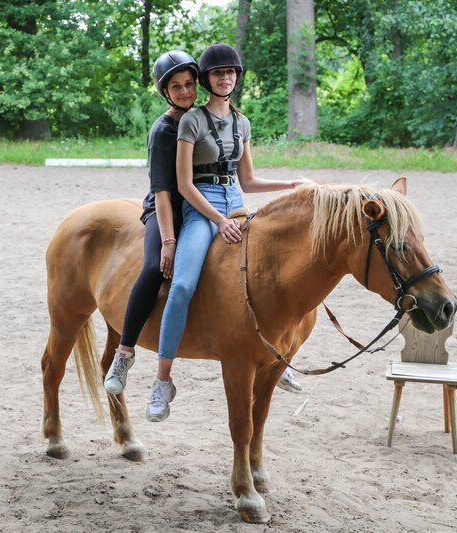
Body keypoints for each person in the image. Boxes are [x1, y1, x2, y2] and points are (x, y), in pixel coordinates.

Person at [146, 43, 310, 422]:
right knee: (182, 285)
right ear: (207, 79)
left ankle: (276, 357)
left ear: (237, 77)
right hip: (203, 208)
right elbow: (183, 184)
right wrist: (219, 221)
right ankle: (162, 379)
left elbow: (248, 180)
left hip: (237, 203)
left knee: (272, 275)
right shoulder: (191, 121)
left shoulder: (242, 122)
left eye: (230, 72)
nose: (225, 78)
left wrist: (291, 184)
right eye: (218, 73)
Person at [103, 51, 199, 396]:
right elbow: (161, 191)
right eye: (176, 87)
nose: (185, 91)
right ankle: (124, 351)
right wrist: (169, 241)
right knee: (153, 268)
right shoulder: (163, 131)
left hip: (200, 207)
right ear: (165, 92)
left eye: (189, 84)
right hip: (166, 208)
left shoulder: (202, 118)